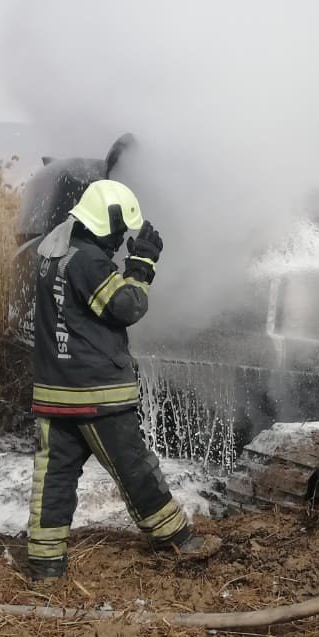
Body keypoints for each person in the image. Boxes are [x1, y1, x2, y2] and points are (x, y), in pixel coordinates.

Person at [26, 178, 218, 581]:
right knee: (135, 467)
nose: (119, 241)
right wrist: (142, 264)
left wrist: (129, 266)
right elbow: (126, 306)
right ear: (107, 222)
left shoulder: (53, 251)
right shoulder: (89, 262)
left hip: (55, 390)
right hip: (97, 392)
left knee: (54, 476)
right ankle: (175, 539)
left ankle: (45, 564)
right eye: (119, 231)